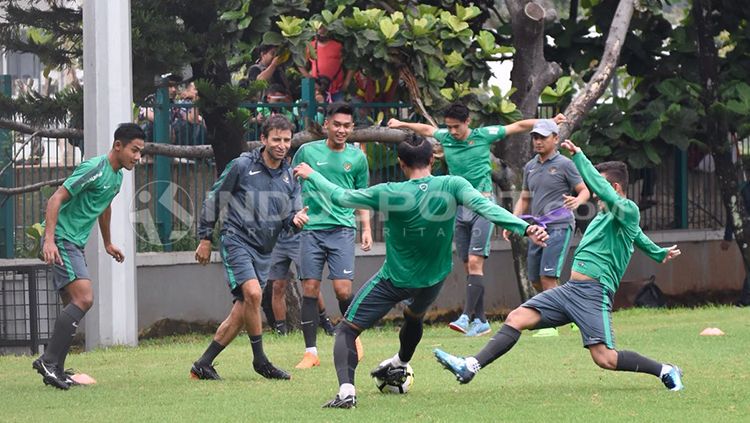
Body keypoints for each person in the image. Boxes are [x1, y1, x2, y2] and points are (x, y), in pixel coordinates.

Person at [293, 134, 549, 408]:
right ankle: (400, 363)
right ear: (432, 160)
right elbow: (487, 207)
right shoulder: (453, 184)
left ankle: (346, 393)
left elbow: (342, 197)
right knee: (413, 317)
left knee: (346, 330)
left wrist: (312, 175)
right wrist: (525, 227)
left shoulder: (390, 191)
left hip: (394, 279)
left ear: (401, 163)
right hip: (432, 280)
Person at [434, 138, 685, 392]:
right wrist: (657, 252)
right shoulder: (607, 216)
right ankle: (470, 366)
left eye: (599, 184)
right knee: (517, 317)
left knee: (605, 359)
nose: (593, 190)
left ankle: (666, 370)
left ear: (615, 187)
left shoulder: (627, 209)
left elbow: (624, 217)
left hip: (594, 294)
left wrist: (579, 157)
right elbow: (638, 236)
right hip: (571, 291)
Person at [388, 104, 567, 337]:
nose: (452, 132)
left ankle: (465, 316)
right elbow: (426, 130)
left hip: (482, 207)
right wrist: (401, 123)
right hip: (458, 209)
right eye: (449, 127)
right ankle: (481, 321)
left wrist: (548, 122)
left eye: (457, 127)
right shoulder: (446, 137)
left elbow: (518, 126)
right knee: (469, 266)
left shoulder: (483, 136)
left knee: (475, 262)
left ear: (468, 122)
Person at [189, 115, 308, 381]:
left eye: (287, 140)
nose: (282, 145)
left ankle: (203, 364)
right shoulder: (242, 165)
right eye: (276, 139)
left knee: (243, 310)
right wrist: (205, 238)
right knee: (253, 294)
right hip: (237, 239)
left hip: (265, 250)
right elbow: (214, 198)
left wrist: (296, 220)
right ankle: (260, 360)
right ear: (264, 139)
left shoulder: (290, 176)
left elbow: (290, 217)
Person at [34, 123, 145, 390]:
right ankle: (48, 362)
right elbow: (55, 199)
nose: (138, 157)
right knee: (84, 298)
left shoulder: (117, 177)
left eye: (141, 152)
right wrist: (49, 240)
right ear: (118, 146)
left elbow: (103, 207)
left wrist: (107, 242)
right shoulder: (94, 168)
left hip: (75, 242)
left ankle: (56, 370)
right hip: (62, 239)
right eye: (134, 150)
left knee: (72, 303)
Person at [291, 102, 372, 369]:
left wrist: (367, 229)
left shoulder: (358, 157)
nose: (341, 129)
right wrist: (294, 212)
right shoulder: (306, 151)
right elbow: (291, 184)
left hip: (342, 230)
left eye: (347, 125)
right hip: (311, 230)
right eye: (336, 124)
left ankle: (353, 337)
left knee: (342, 289)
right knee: (310, 289)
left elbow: (362, 197)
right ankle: (311, 352)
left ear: (352, 128)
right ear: (326, 124)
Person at [503, 119, 590, 337]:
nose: (538, 141)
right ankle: (572, 312)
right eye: (535, 137)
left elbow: (584, 191)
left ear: (555, 139)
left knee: (547, 276)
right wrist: (512, 222)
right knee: (534, 277)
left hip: (560, 225)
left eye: (543, 137)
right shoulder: (530, 167)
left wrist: (577, 202)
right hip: (537, 228)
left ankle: (549, 324)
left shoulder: (565, 164)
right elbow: (524, 199)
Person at [265, 227, 335, 336]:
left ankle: (326, 323)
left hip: (300, 240)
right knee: (277, 286)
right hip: (277, 243)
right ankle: (281, 331)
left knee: (310, 285)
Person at [298, 26, 354, 102]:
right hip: (317, 88)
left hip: (337, 89)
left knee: (339, 111)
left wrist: (346, 83)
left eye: (324, 29)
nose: (322, 31)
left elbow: (351, 64)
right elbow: (299, 63)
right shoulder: (310, 46)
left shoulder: (338, 46)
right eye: (320, 29)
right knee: (318, 111)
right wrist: (310, 79)